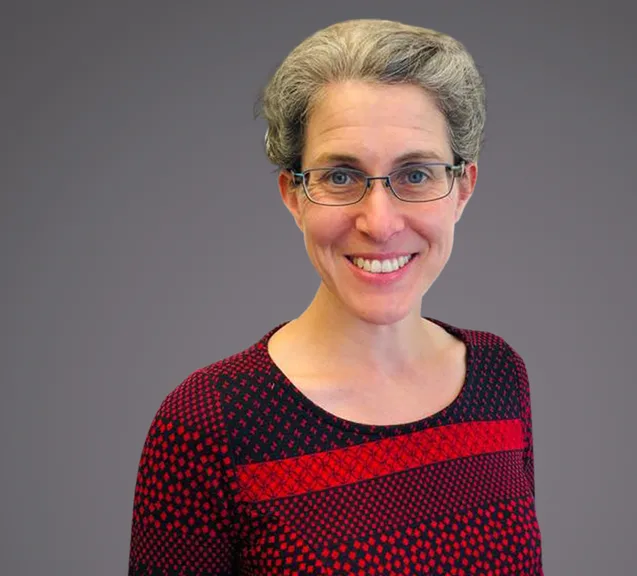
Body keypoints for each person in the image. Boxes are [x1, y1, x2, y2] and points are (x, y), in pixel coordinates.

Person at [128, 18, 543, 575]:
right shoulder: (208, 424)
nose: (379, 222)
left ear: (463, 188)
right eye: (341, 177)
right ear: (293, 196)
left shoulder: (500, 375)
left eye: (415, 174)